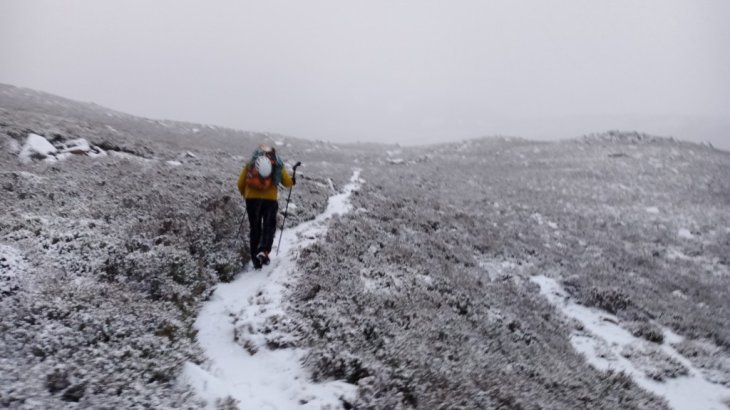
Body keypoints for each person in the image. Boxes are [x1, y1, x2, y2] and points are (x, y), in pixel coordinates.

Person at [237, 144, 294, 269]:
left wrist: (245, 195)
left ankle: (255, 260)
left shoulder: (251, 162)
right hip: (270, 200)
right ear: (273, 152)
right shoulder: (277, 162)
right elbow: (287, 182)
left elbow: (240, 182)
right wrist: (293, 179)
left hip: (252, 200)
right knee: (269, 226)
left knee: (255, 228)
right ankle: (263, 251)